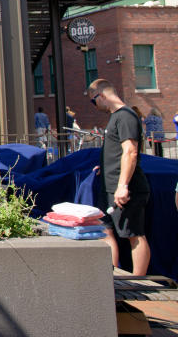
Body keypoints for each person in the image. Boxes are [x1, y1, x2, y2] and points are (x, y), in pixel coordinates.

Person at [88, 78, 151, 276]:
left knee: (134, 234)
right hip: (109, 185)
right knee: (105, 230)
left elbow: (130, 151)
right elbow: (118, 152)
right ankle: (113, 279)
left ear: (103, 95)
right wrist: (105, 166)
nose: (95, 106)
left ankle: (139, 284)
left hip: (125, 188)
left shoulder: (125, 116)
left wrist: (123, 185)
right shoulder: (115, 118)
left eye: (93, 101)